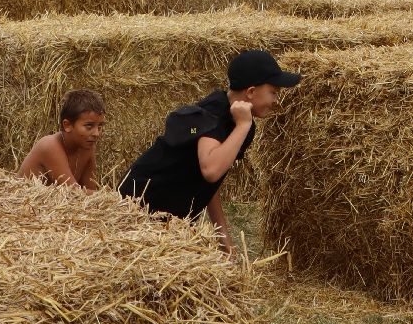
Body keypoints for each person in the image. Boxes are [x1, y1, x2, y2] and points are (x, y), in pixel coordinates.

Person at [118, 50, 300, 257]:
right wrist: (243, 125)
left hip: (171, 218)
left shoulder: (240, 123)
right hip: (138, 208)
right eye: (274, 92)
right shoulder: (213, 116)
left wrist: (224, 240)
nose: (276, 100)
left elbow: (211, 183)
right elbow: (211, 170)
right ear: (250, 92)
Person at [18, 89, 104, 191]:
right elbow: (73, 193)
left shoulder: (87, 147)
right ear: (67, 125)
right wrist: (111, 198)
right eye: (89, 126)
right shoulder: (49, 146)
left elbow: (91, 192)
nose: (96, 133)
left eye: (99, 126)